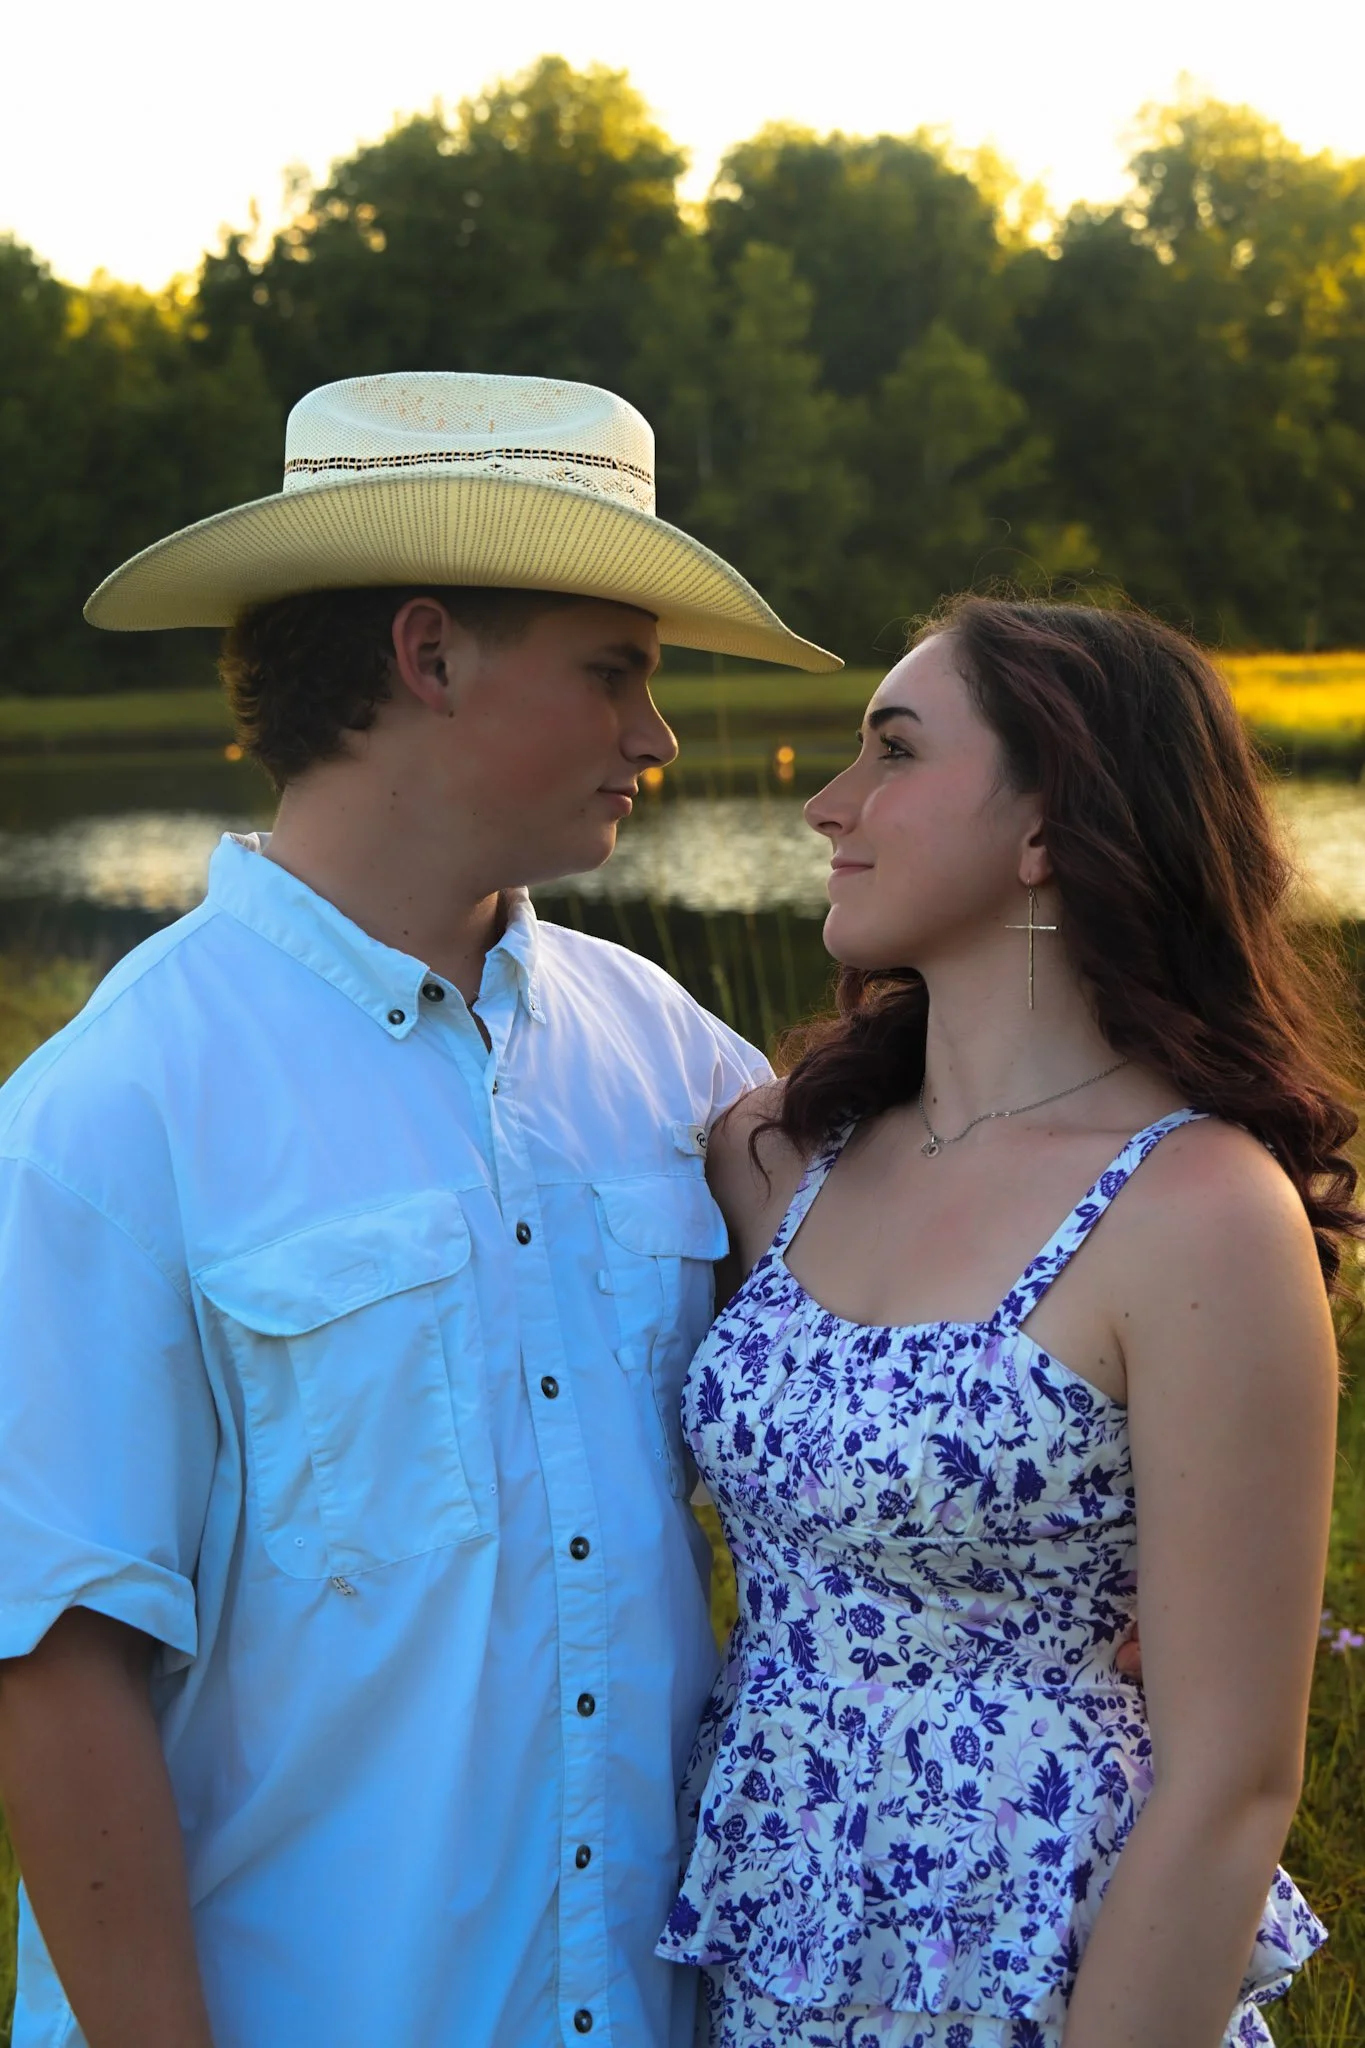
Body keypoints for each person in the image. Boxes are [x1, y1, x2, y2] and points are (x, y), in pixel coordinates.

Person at [0, 371, 842, 2048]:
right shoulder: (108, 1112)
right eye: (617, 673)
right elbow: (58, 1667)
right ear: (430, 653)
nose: (657, 738)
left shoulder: (670, 1050)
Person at [656, 596, 1350, 2048]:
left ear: (1050, 829)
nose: (828, 807)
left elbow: (1233, 1783)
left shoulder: (1197, 1210)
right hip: (779, 1938)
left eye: (892, 754)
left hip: (1041, 1964)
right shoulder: (780, 1156)